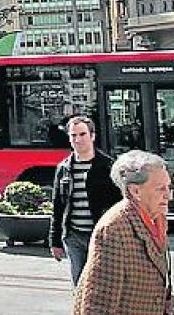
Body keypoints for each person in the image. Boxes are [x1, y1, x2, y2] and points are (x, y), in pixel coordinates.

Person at [72, 150, 174, 315]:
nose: (168, 195)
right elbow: (97, 306)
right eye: (160, 188)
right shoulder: (114, 230)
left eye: (168, 186)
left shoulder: (157, 220)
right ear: (135, 191)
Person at [49, 115, 119, 286]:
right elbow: (57, 207)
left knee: (101, 285)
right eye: (73, 136)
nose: (77, 140)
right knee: (79, 285)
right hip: (73, 237)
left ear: (92, 136)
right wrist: (55, 241)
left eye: (82, 134)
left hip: (101, 237)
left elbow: (119, 206)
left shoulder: (108, 166)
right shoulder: (63, 168)